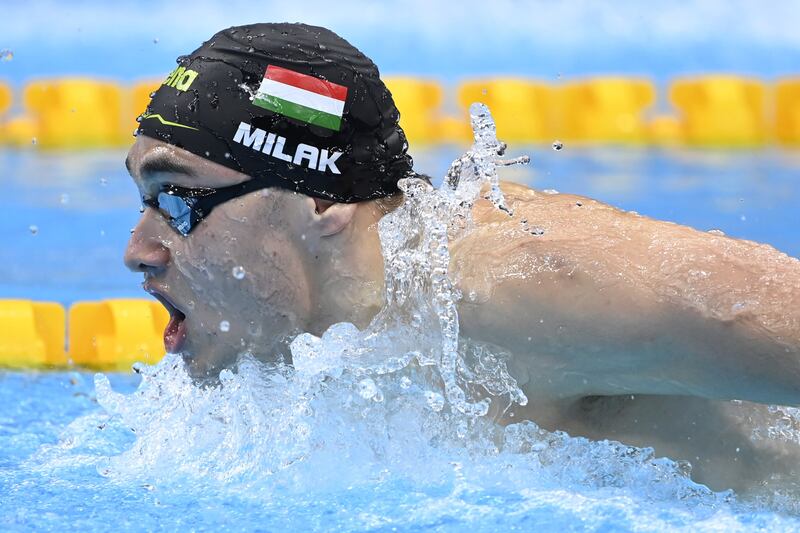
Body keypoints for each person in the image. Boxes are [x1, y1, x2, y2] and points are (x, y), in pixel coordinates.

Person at [124, 23, 800, 493]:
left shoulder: (510, 281)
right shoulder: (337, 348)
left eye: (178, 199)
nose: (138, 250)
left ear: (321, 201)